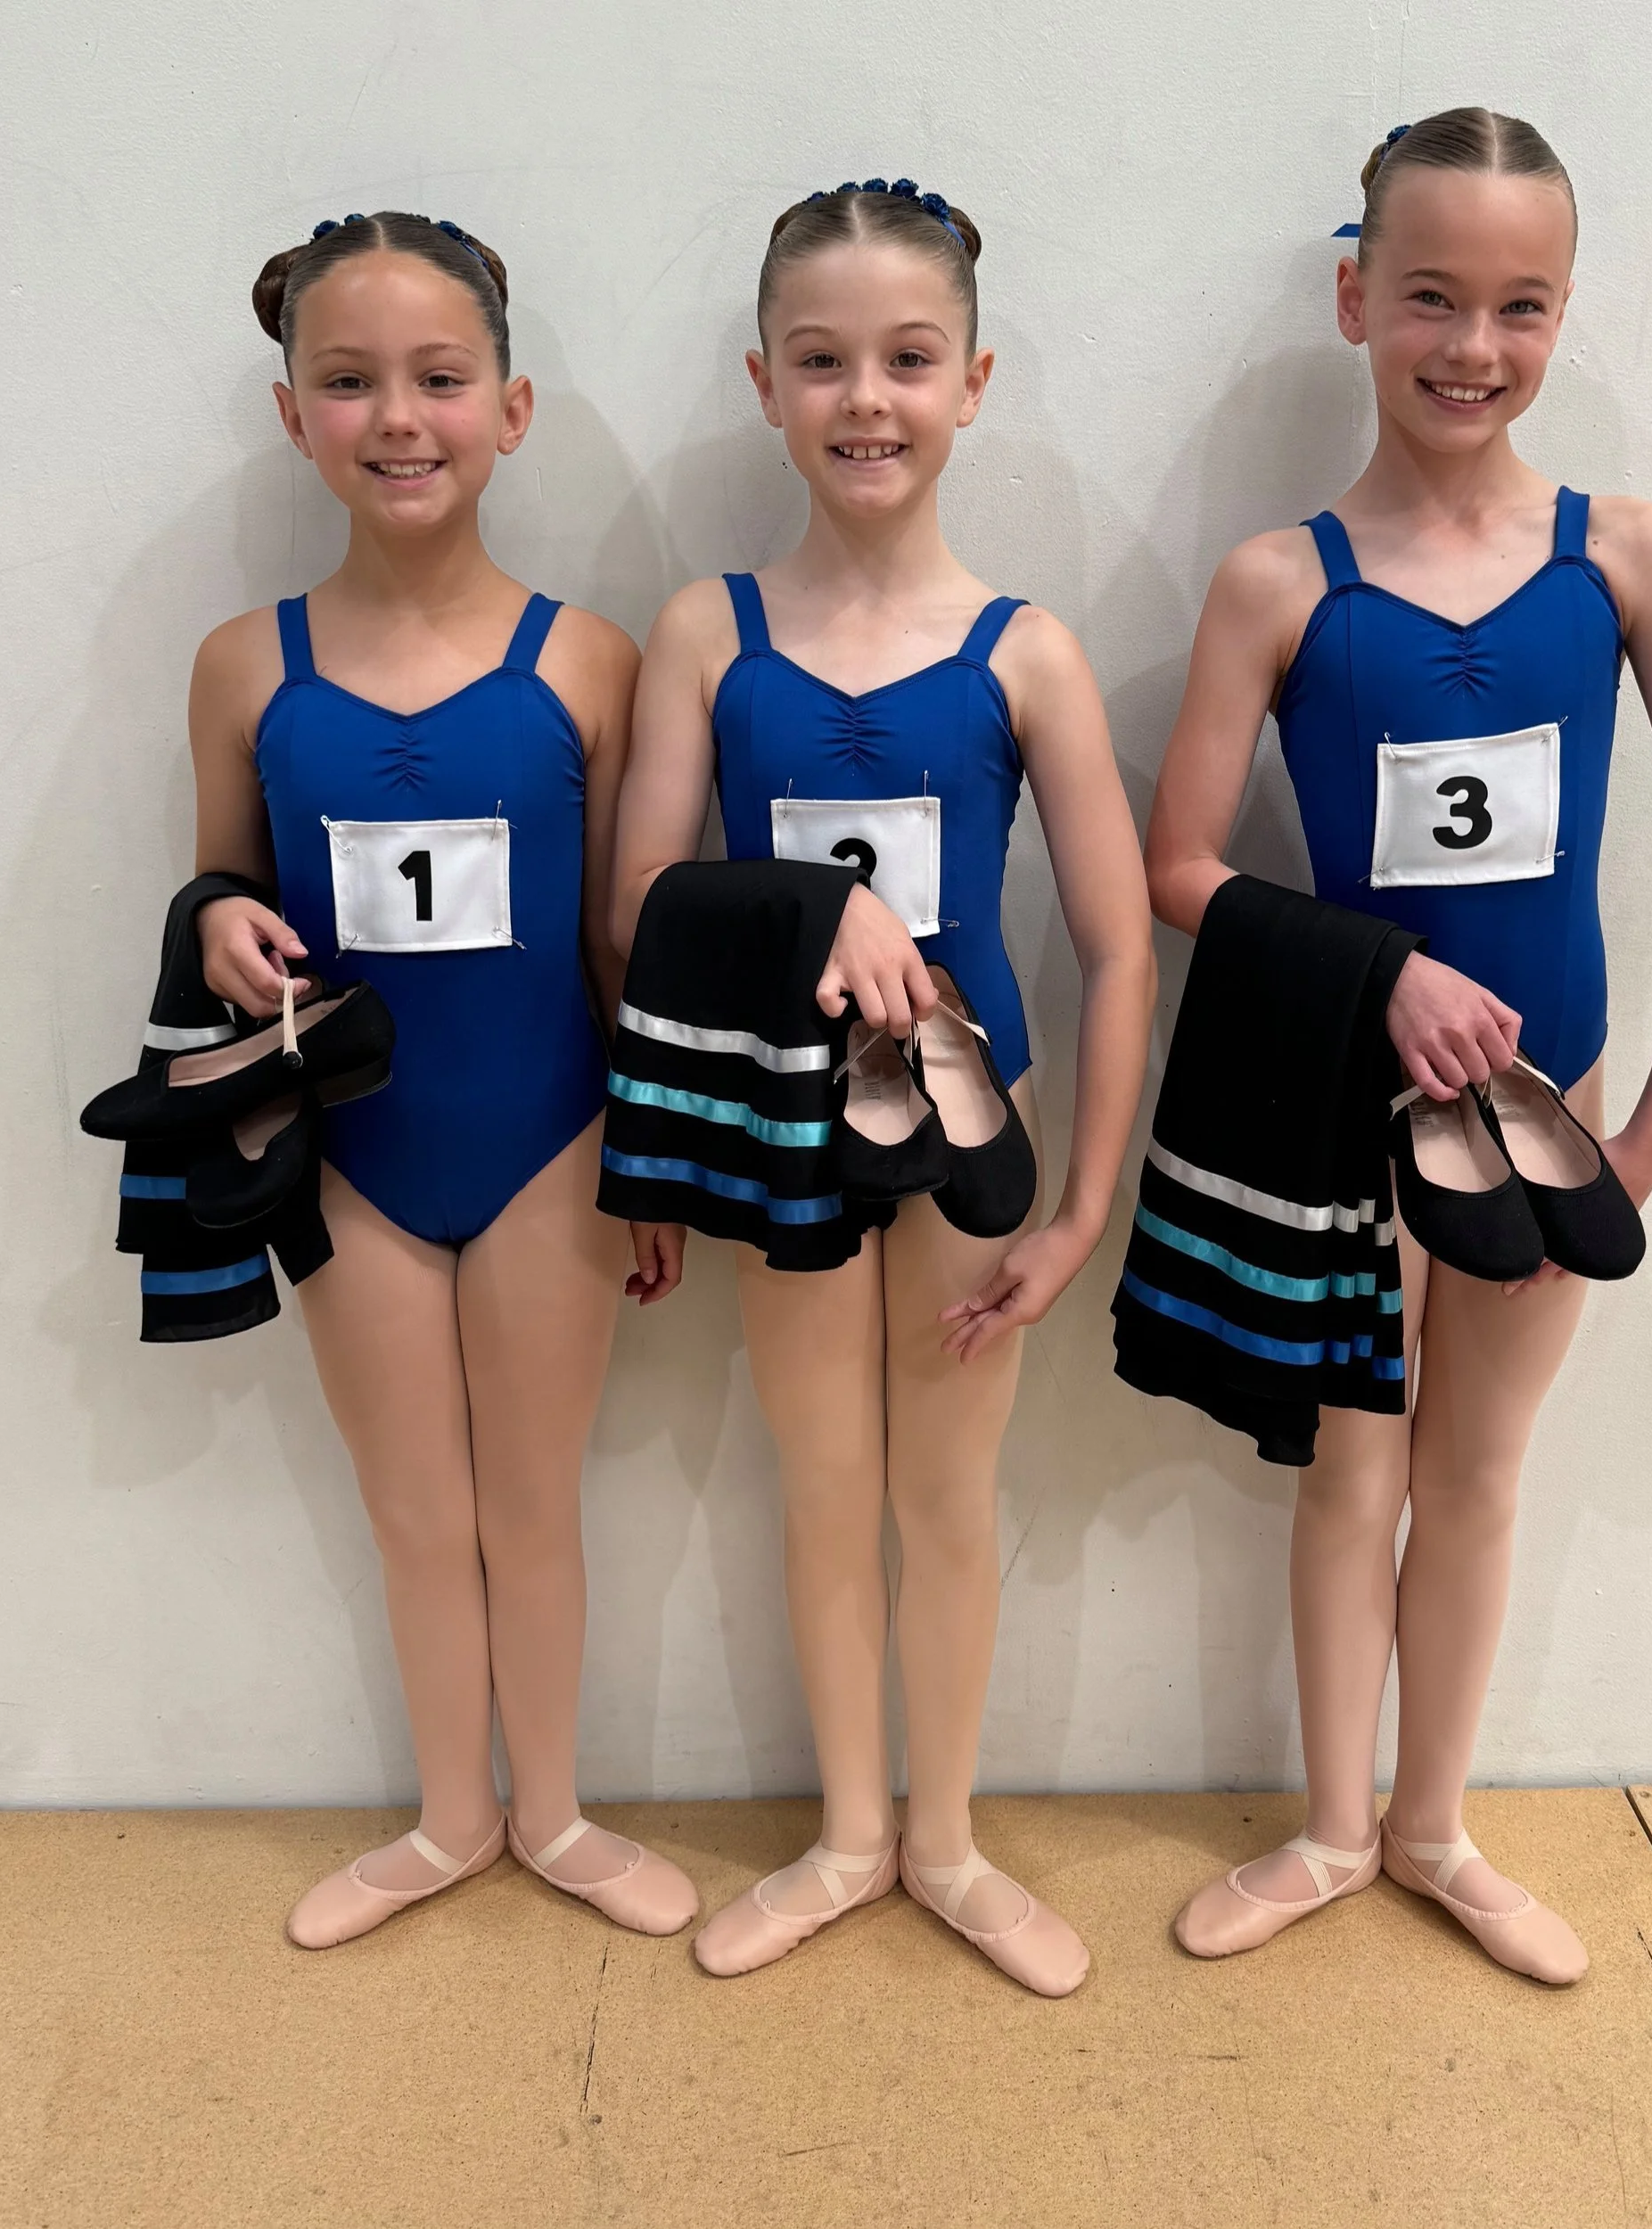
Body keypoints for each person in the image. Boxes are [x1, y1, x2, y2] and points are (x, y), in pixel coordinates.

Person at [1147, 113, 1652, 1981]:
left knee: (1480, 1469)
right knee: (1353, 1469)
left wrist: (1646, 1138)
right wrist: (1383, 974)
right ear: (1357, 298)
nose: (1471, 345)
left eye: (1518, 306)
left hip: (1552, 1106)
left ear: (1562, 314)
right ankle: (1330, 1831)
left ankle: (1434, 1828)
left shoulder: (1628, 556)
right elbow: (1178, 864)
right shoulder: (1279, 582)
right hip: (1349, 1105)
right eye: (1429, 296)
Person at [612, 180, 1155, 1995]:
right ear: (762, 382)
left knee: (947, 1495)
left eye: (909, 360)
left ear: (972, 381)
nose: (867, 399)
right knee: (823, 1483)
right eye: (823, 360)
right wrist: (812, 910)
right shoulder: (706, 631)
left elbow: (1118, 946)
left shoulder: (1027, 651)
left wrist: (1079, 1208)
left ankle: (949, 1841)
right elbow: (635, 907)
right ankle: (849, 1834)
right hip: (780, 1136)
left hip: (972, 1136)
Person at [187, 210, 694, 1946]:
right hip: (348, 1153)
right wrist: (220, 922)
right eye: (348, 383)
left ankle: (551, 1811)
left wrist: (652, 1160)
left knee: (533, 1504)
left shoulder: (590, 660)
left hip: (552, 1141)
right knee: (415, 1512)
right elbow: (216, 879)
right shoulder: (246, 664)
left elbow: (623, 945)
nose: (397, 418)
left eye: (438, 379)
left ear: (511, 407)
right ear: (292, 415)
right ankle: (449, 1818)